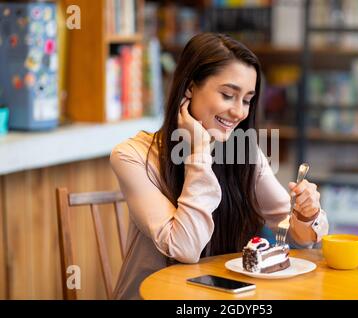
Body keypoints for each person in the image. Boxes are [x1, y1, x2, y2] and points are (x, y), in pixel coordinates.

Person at [110, 33, 329, 299]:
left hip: (222, 298)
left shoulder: (243, 150)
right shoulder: (132, 156)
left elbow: (294, 234)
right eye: (228, 95)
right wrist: (198, 154)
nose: (239, 112)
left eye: (247, 100)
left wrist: (306, 215)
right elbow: (185, 248)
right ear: (189, 89)